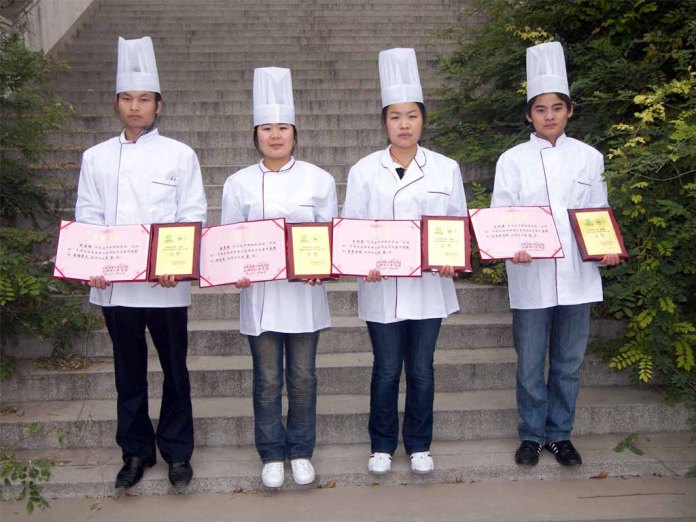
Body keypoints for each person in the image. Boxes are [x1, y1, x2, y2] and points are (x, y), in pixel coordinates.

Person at [75, 36, 207, 492]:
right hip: (114, 286)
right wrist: (90, 262)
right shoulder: (95, 157)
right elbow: (88, 215)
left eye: (144, 99)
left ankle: (177, 451)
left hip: (166, 285)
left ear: (158, 105)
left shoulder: (180, 154)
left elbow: (192, 215)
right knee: (127, 371)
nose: (136, 107)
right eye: (128, 99)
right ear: (116, 103)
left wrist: (177, 263)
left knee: (175, 369)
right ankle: (134, 451)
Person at [491, 41, 622, 468]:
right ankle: (531, 435)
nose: (549, 115)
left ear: (569, 111)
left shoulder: (590, 158)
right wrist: (512, 247)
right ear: (529, 115)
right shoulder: (511, 161)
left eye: (557, 108)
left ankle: (560, 434)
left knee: (567, 364)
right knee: (530, 365)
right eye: (540, 109)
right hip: (530, 276)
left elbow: (599, 213)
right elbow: (500, 217)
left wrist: (606, 249)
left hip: (578, 278)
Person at [341, 48, 468, 476]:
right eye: (395, 117)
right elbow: (352, 229)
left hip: (429, 287)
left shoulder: (446, 168)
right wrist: (363, 262)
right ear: (384, 123)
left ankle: (418, 444)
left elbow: (457, 223)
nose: (404, 124)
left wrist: (452, 259)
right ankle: (381, 444)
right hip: (381, 286)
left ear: (423, 120)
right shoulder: (363, 170)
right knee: (385, 369)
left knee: (422, 369)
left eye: (412, 116)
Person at [221, 67, 337, 488]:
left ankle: (301, 450)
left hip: (304, 297)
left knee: (303, 378)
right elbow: (228, 241)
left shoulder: (319, 179)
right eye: (267, 128)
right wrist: (234, 271)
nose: (275, 135)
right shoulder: (238, 183)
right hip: (261, 298)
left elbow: (331, 238)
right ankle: (271, 453)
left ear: (295, 133)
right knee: (268, 380)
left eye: (283, 128)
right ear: (255, 134)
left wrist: (322, 267)